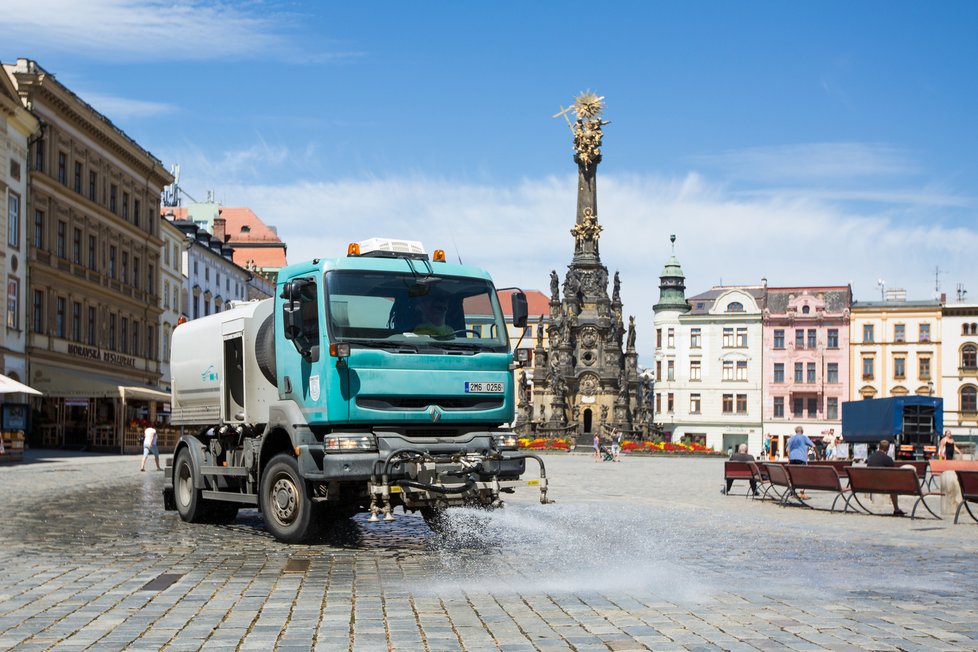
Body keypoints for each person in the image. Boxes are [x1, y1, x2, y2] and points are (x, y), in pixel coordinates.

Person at [867, 439, 904, 516]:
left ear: (879, 446)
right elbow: (893, 474)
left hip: (869, 484)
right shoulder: (888, 459)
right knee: (893, 486)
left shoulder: (871, 457)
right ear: (888, 448)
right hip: (883, 486)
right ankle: (896, 509)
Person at [786, 426, 815, 499]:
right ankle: (802, 492)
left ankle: (793, 492)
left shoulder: (791, 438)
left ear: (796, 431)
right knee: (804, 475)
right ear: (802, 431)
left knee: (793, 475)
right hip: (801, 459)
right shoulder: (804, 437)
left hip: (792, 459)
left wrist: (789, 459)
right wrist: (818, 455)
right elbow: (814, 446)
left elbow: (787, 450)